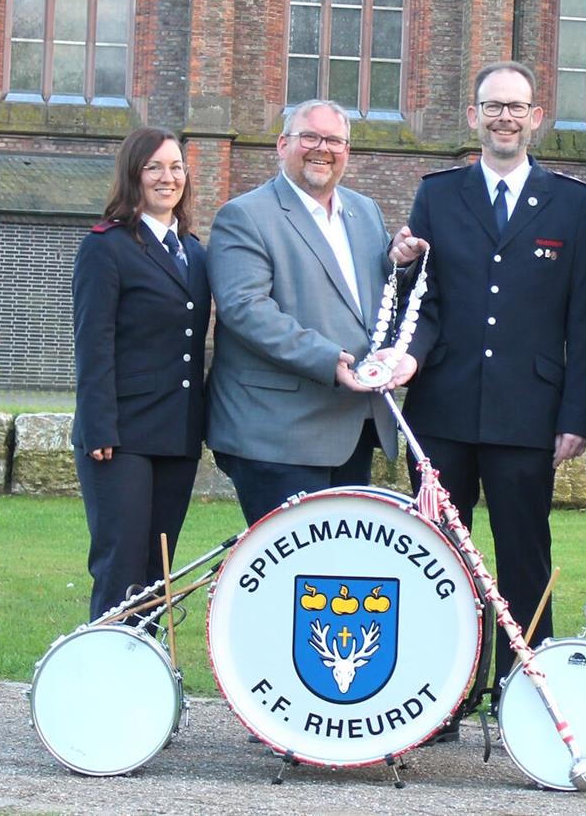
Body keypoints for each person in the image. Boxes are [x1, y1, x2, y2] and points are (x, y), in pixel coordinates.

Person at [395, 61, 586, 697]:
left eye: (516, 107)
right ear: (473, 117)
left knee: (523, 560)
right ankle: (437, 697)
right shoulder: (437, 193)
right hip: (442, 410)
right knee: (437, 560)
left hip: (527, 412)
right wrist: (400, 270)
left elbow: (585, 317)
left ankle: (524, 696)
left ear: (535, 118)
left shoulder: (569, 202)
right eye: (492, 106)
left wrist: (576, 415)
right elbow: (421, 300)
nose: (504, 117)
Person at [206, 100, 418, 527]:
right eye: (310, 137)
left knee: (335, 579)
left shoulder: (364, 212)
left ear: (347, 152)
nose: (323, 148)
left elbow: (362, 302)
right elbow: (245, 308)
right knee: (290, 579)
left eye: (335, 140)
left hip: (351, 429)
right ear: (282, 144)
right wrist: (327, 358)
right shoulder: (245, 215)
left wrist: (400, 267)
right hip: (277, 435)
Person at [72, 126, 211, 622]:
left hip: (176, 436)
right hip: (121, 437)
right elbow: (93, 345)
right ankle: (103, 686)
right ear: (134, 174)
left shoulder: (194, 252)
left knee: (158, 573)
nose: (166, 177)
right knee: (120, 567)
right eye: (154, 167)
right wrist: (98, 427)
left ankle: (144, 687)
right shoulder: (106, 247)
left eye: (175, 167)